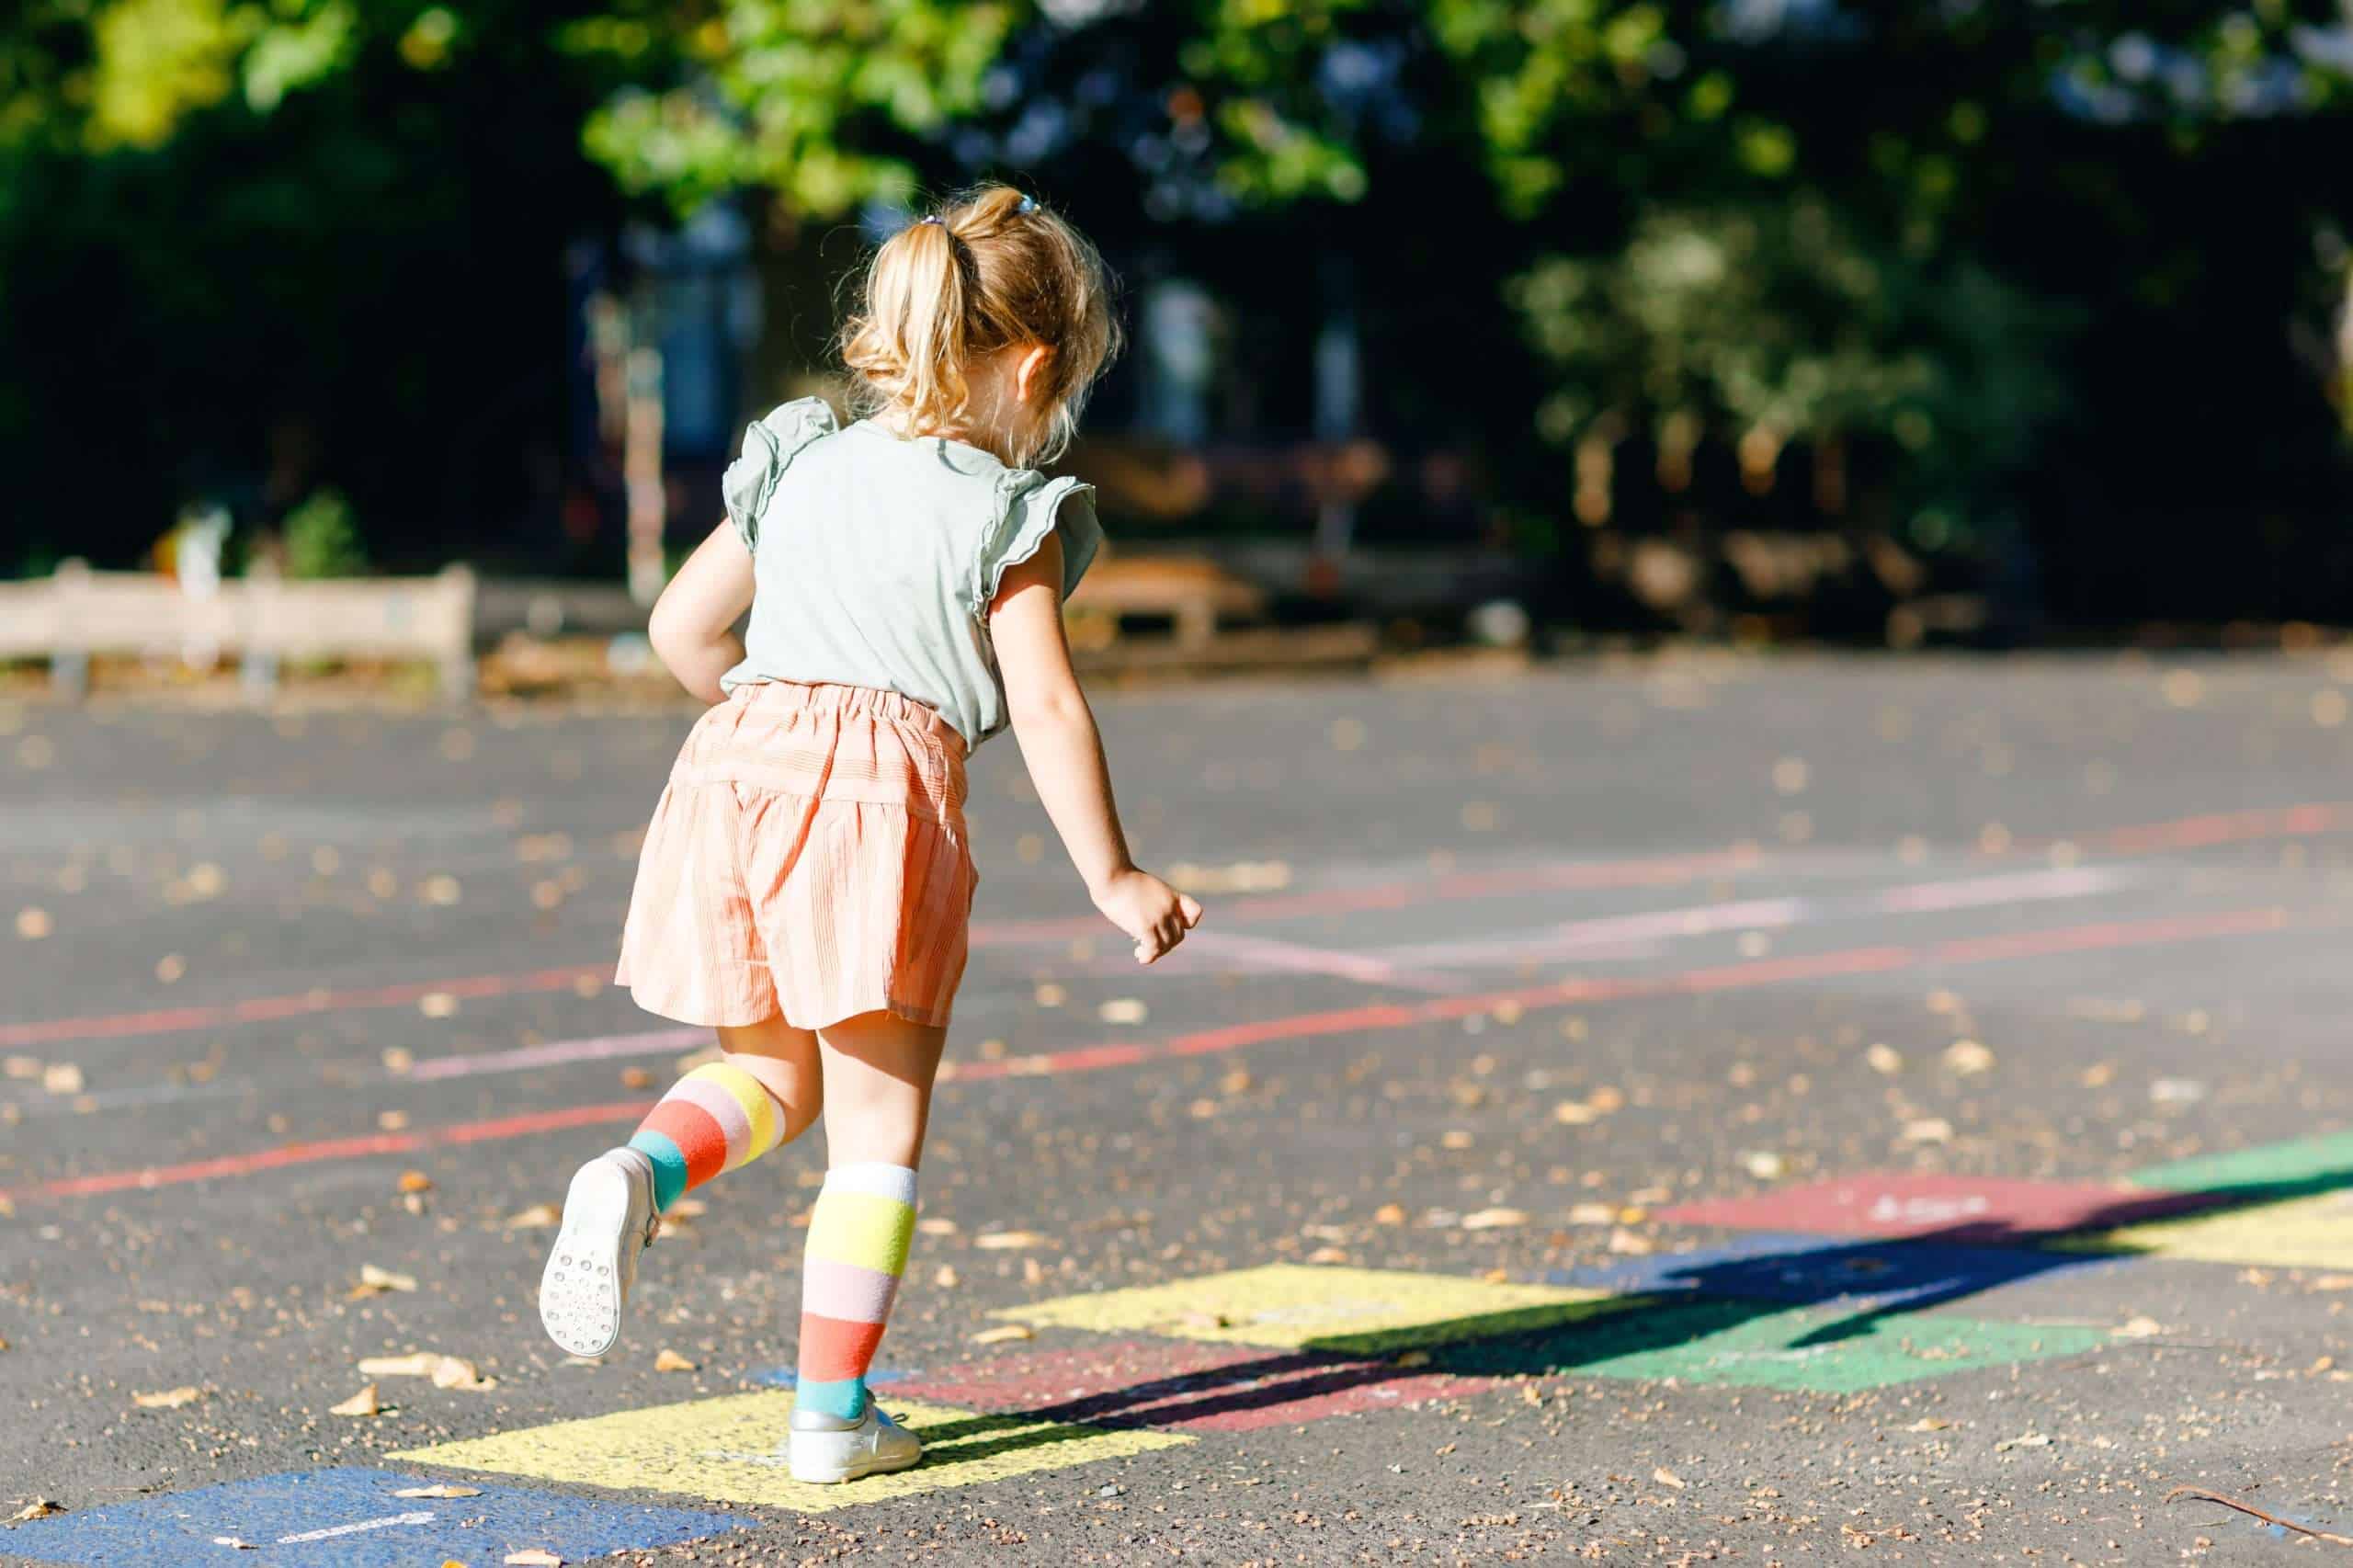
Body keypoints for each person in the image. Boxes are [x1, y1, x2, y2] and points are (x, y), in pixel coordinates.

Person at [537, 185, 1201, 1485]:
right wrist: (1113, 874)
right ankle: (831, 1415)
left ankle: (637, 1168)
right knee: (876, 1134)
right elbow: (1050, 703)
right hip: (875, 797)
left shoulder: (802, 457)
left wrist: (773, 722)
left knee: (776, 1079)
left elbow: (682, 632)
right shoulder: (1005, 511)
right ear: (1029, 364)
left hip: (732, 766)